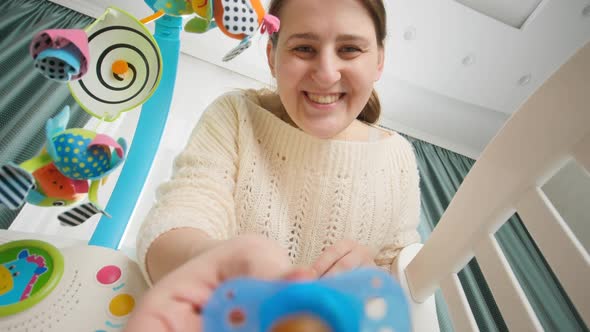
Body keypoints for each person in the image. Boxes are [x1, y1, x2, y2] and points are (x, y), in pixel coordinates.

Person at [125, 0, 421, 330]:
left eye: (350, 49)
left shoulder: (398, 158)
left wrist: (371, 279)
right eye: (304, 48)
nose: (325, 73)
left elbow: (404, 279)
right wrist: (221, 264)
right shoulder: (236, 116)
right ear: (271, 57)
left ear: (379, 60)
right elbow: (178, 219)